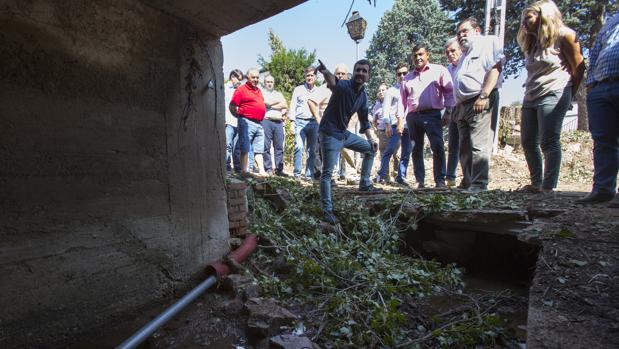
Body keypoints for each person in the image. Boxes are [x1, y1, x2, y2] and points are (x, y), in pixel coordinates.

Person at [517, 0, 585, 194]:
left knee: (548, 140)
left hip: (555, 91)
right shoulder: (533, 42)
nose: (524, 23)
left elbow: (578, 67)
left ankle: (549, 186)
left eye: (528, 18)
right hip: (531, 95)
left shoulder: (565, 36)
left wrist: (569, 93)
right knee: (528, 141)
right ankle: (536, 182)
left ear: (544, 15)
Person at [316, 59, 378, 224]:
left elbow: (365, 122)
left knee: (370, 149)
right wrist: (325, 71)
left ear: (368, 76)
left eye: (364, 71)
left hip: (343, 134)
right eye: (358, 70)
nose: (360, 73)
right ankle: (327, 211)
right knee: (327, 173)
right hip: (329, 132)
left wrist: (371, 139)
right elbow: (333, 81)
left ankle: (364, 183)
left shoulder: (363, 97)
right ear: (354, 72)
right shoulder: (343, 86)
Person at [452, 17, 505, 191]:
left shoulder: (488, 42)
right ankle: (468, 181)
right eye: (458, 33)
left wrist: (484, 95)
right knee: (464, 147)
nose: (460, 36)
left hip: (479, 100)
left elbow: (495, 68)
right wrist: (458, 105)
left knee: (478, 144)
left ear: (477, 30)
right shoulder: (464, 56)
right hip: (463, 105)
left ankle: (479, 184)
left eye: (464, 31)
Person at [576, 12, 619, 207]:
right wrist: (592, 85)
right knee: (602, 140)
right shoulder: (611, 21)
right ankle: (602, 189)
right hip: (601, 86)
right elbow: (594, 53)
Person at [400, 43, 456, 188]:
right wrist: (400, 120)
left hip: (432, 115)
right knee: (416, 149)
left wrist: (448, 112)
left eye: (420, 54)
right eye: (415, 55)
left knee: (437, 146)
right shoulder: (407, 78)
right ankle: (420, 181)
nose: (418, 58)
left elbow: (449, 92)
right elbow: (402, 102)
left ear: (427, 55)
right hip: (413, 118)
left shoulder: (439, 71)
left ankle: (440, 180)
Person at [308, 64, 355, 181]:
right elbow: (311, 102)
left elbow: (356, 110)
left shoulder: (351, 89)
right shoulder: (325, 88)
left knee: (347, 151)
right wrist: (318, 119)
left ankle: (348, 175)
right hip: (329, 127)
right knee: (330, 152)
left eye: (342, 73)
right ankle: (331, 177)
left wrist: (351, 123)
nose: (340, 75)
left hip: (346, 126)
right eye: (337, 73)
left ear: (347, 76)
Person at [377, 63, 414, 186]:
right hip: (394, 125)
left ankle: (401, 176)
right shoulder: (391, 91)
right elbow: (385, 110)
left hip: (409, 125)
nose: (402, 76)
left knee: (406, 151)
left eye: (404, 73)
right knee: (390, 150)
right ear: (396, 76)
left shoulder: (412, 88)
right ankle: (382, 174)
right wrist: (387, 125)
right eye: (399, 74)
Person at [229, 68, 267, 176]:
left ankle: (262, 171)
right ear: (248, 78)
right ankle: (244, 171)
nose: (255, 79)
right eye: (253, 77)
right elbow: (232, 105)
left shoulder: (259, 90)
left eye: (257, 77)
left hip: (259, 123)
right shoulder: (241, 90)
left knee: (259, 148)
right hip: (246, 122)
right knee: (245, 147)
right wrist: (240, 117)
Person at [290, 66, 319, 179]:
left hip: (314, 123)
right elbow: (292, 106)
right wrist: (292, 122)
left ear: (316, 77)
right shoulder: (298, 89)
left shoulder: (319, 91)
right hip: (300, 122)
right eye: (308, 75)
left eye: (312, 75)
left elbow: (321, 107)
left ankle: (309, 175)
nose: (310, 77)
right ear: (305, 77)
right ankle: (297, 174)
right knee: (298, 147)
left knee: (312, 151)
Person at [444, 38, 463, 188]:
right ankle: (450, 177)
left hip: (467, 107)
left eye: (453, 51)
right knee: (453, 144)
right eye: (447, 52)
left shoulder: (466, 63)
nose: (450, 54)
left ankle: (471, 177)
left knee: (468, 145)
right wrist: (448, 111)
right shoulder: (448, 70)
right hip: (453, 109)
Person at [261, 75, 288, 176]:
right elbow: (263, 104)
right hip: (266, 121)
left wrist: (270, 105)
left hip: (278, 122)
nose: (269, 83)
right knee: (266, 146)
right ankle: (268, 168)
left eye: (271, 82)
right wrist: (277, 104)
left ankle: (279, 169)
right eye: (267, 81)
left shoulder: (279, 94)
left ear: (274, 83)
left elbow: (284, 105)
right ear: (264, 82)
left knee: (279, 147)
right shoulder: (261, 93)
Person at [224, 69, 243, 173]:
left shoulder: (240, 90)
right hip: (228, 121)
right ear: (232, 77)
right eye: (238, 80)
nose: (240, 82)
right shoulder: (225, 88)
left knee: (237, 147)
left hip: (238, 122)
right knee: (228, 145)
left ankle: (237, 168)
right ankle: (226, 168)